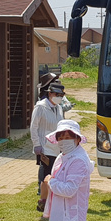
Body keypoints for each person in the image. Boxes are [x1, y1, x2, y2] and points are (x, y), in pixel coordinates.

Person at [30, 82, 66, 213]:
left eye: (61, 95)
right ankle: (43, 201)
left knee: (55, 174)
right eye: (57, 94)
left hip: (57, 147)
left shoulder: (59, 108)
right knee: (46, 174)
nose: (59, 97)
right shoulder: (40, 107)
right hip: (45, 147)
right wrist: (37, 145)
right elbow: (33, 127)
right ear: (50, 94)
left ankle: (52, 200)